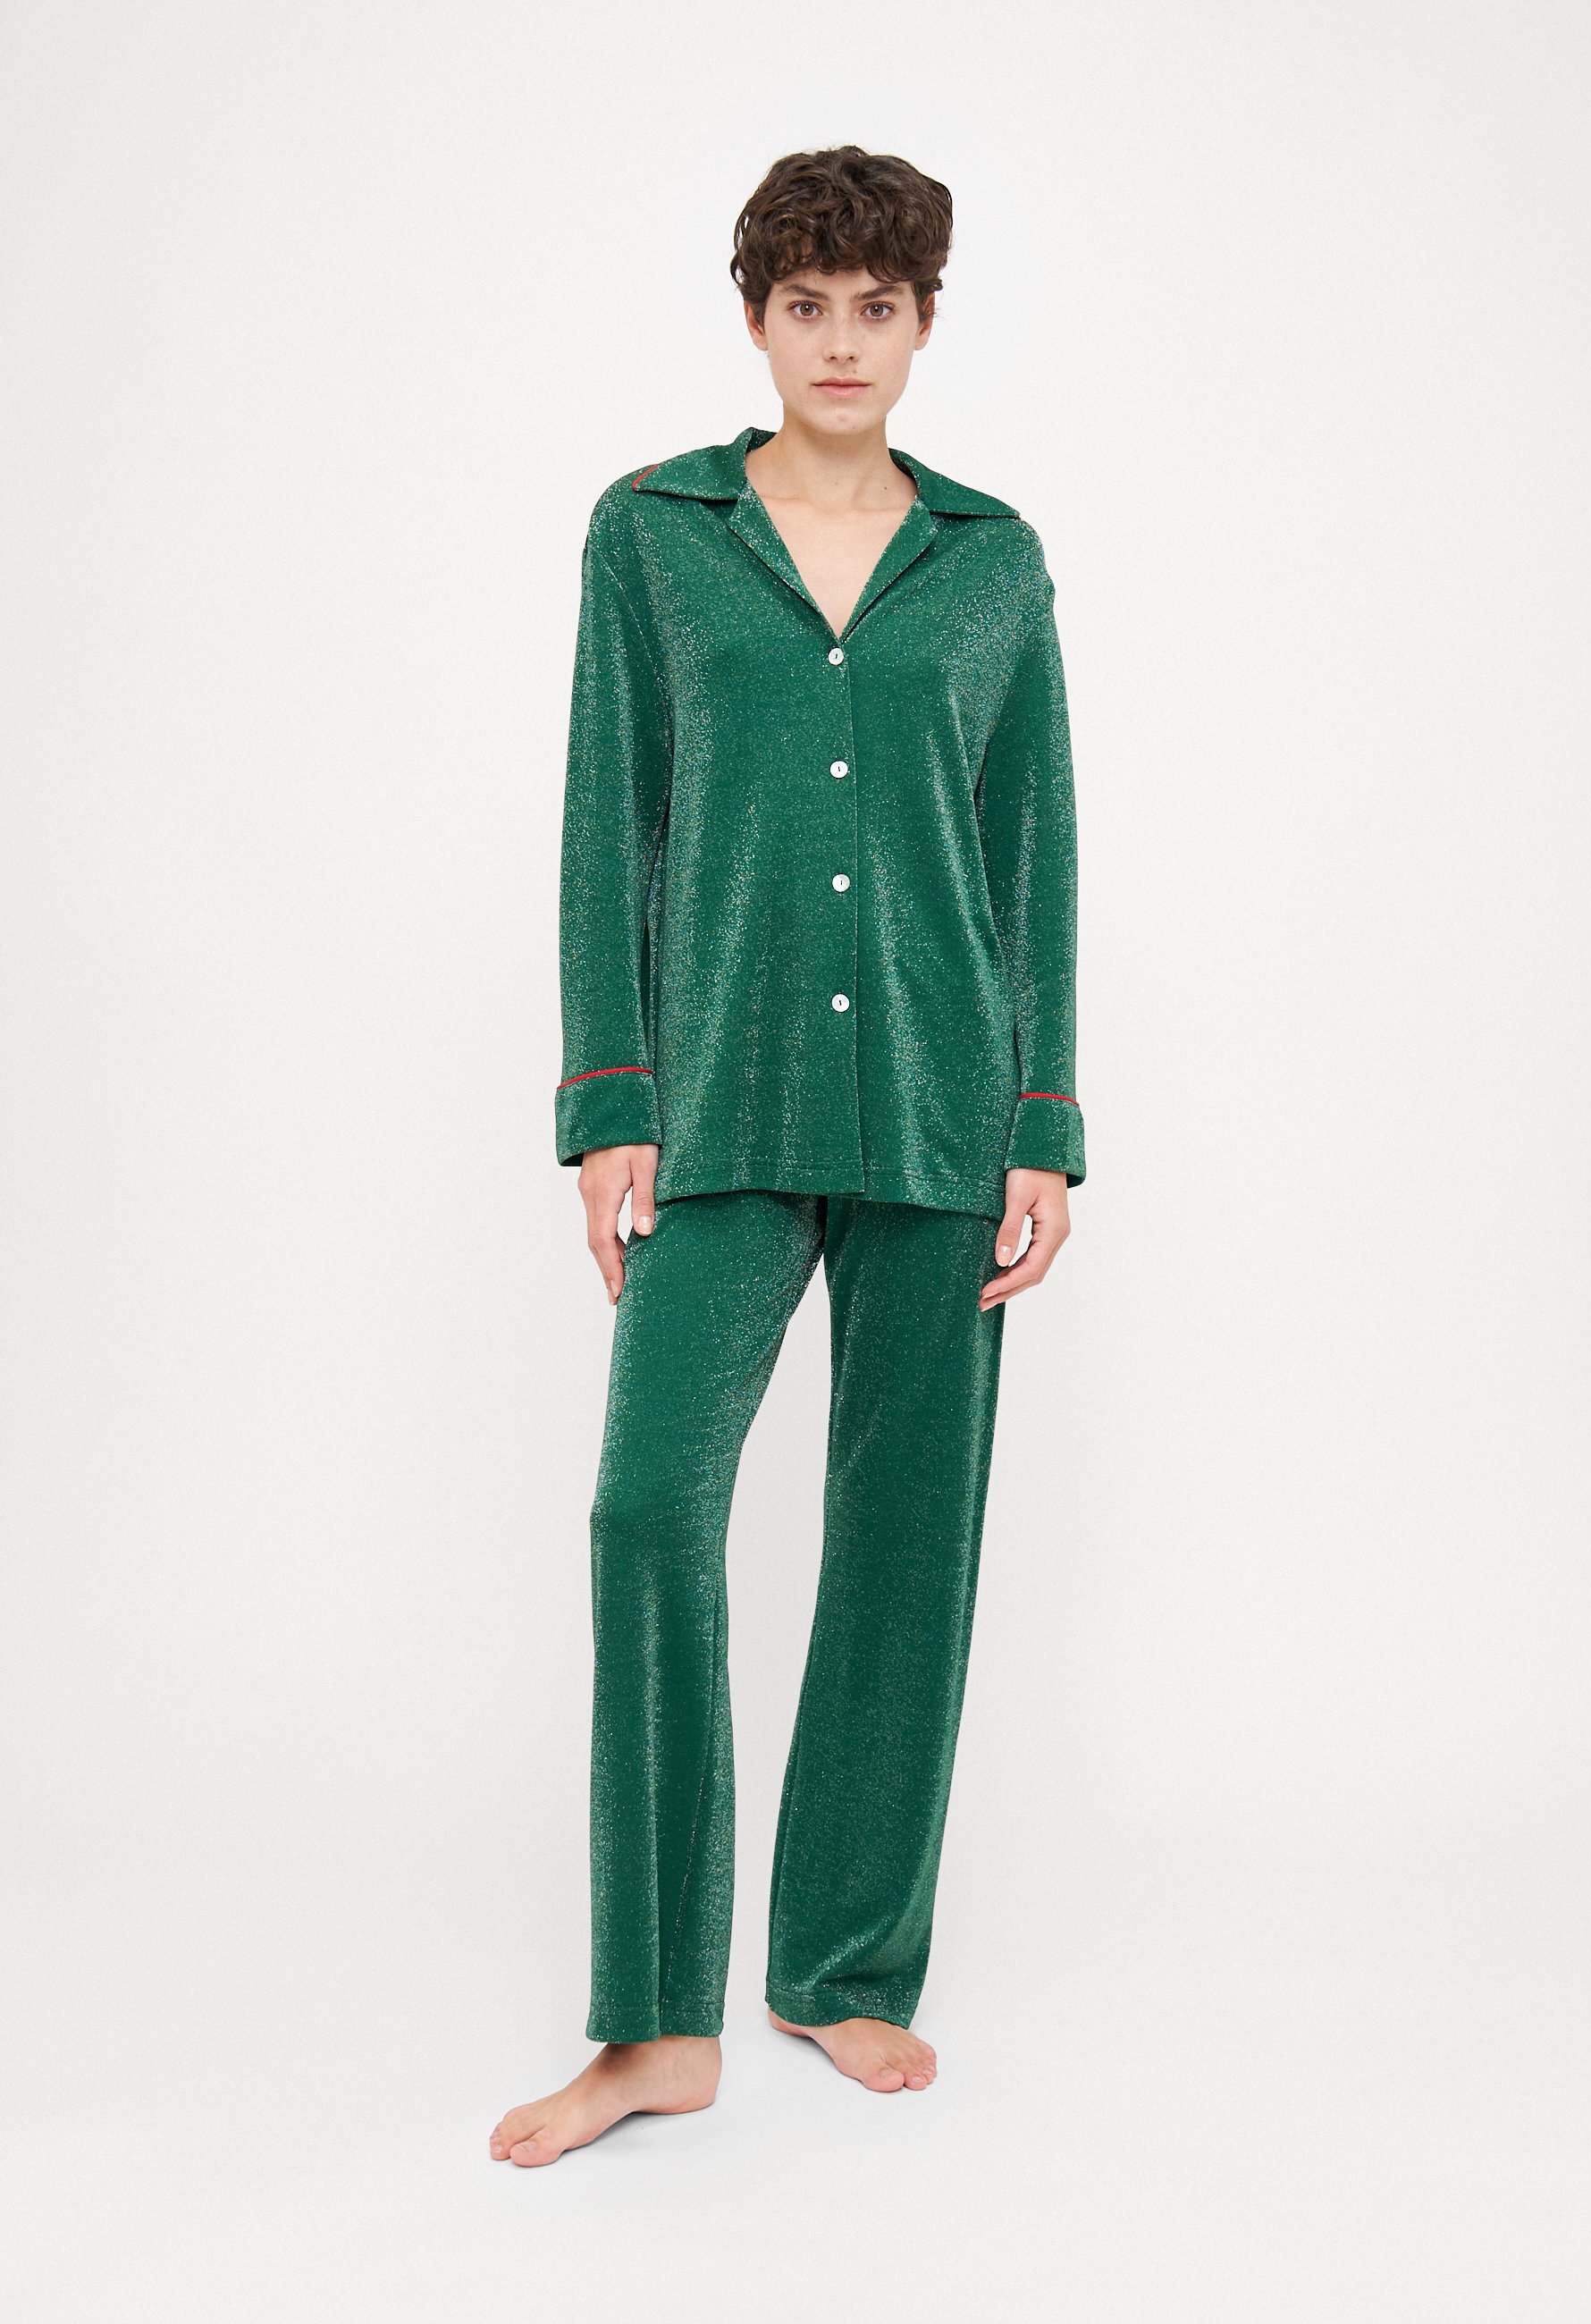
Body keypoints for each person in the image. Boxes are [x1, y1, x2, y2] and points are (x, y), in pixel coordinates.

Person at [491, 145, 1084, 2168]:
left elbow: (1030, 850)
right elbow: (611, 816)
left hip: (940, 1108)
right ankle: (654, 2023)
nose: (842, 342)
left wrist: (1041, 1124)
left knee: (904, 1544)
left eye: (877, 308)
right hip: (725, 1106)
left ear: (922, 324)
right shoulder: (653, 536)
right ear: (755, 319)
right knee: (648, 1509)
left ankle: (838, 1962)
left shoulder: (992, 562)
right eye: (806, 305)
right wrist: (610, 1100)